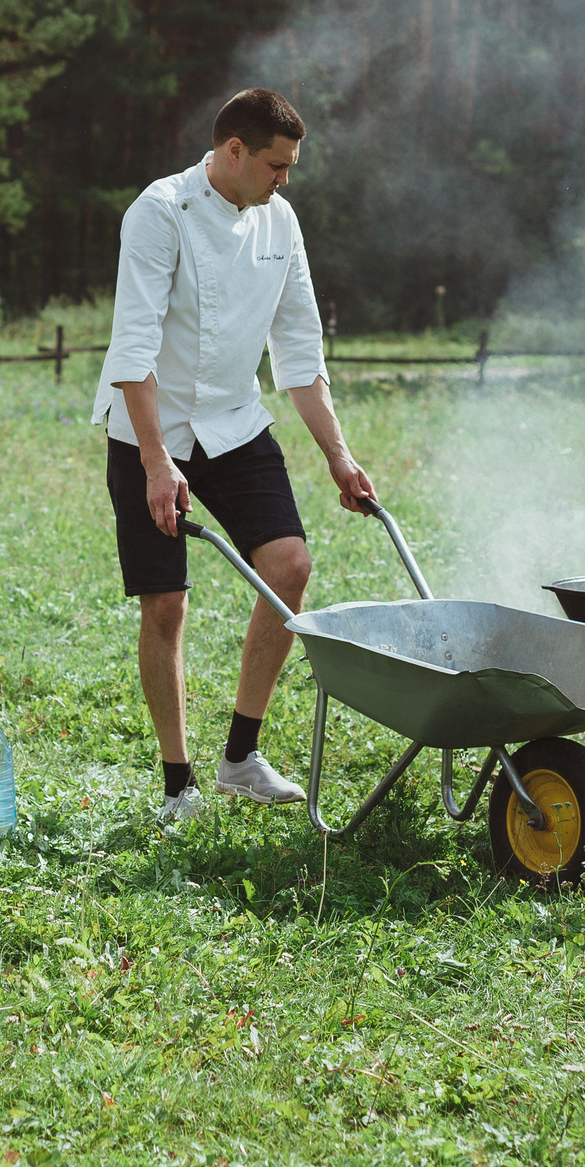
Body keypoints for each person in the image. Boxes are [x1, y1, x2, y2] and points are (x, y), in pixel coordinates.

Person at [92, 87, 376, 822]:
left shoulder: (280, 222)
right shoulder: (159, 213)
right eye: (278, 165)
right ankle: (176, 784)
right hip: (149, 425)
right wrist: (156, 462)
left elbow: (301, 355)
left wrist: (339, 458)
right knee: (167, 606)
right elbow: (132, 351)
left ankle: (241, 758)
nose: (287, 178)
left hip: (233, 421)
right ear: (234, 152)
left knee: (290, 565)